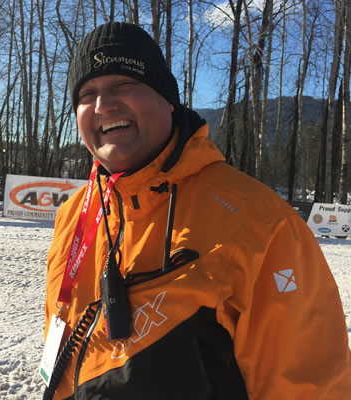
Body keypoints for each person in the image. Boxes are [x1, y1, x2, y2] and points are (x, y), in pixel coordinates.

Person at [43, 22, 350, 400]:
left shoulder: (261, 223)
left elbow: (307, 387)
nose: (103, 105)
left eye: (125, 84)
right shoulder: (73, 214)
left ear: (168, 99)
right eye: (87, 94)